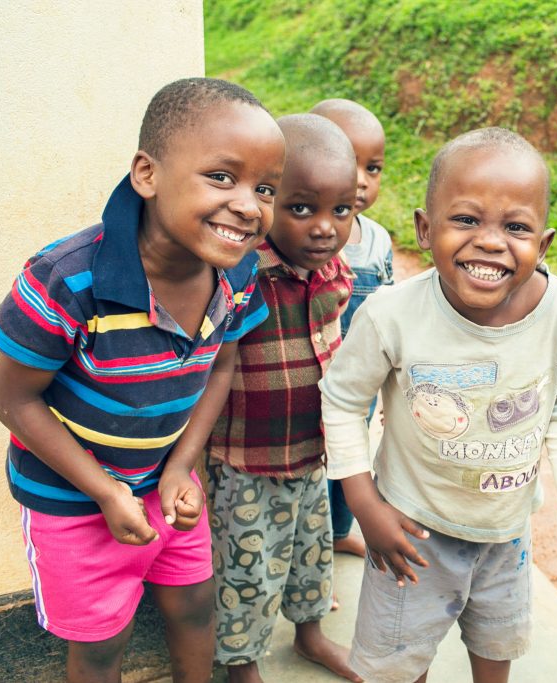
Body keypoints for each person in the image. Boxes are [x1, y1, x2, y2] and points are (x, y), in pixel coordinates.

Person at [0, 77, 285, 683]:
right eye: (222, 177)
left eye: (265, 188)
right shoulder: (69, 279)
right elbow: (13, 398)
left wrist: (181, 467)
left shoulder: (237, 273)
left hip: (166, 484)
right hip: (72, 499)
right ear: (147, 174)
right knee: (102, 644)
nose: (250, 206)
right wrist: (105, 491)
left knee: (195, 605)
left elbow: (221, 363)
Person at [319, 127, 557, 683]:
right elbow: (341, 400)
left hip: (506, 534)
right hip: (409, 530)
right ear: (424, 229)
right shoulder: (392, 315)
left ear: (543, 245)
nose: (491, 242)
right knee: (398, 664)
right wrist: (364, 502)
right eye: (466, 219)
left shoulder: (556, 309)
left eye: (516, 227)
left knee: (496, 641)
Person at [204, 113, 361, 683]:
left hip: (313, 452)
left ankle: (310, 635)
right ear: (267, 200)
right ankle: (242, 665)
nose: (324, 228)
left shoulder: (334, 270)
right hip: (247, 459)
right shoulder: (242, 275)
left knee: (310, 556)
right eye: (301, 208)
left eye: (341, 210)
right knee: (247, 573)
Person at [310, 98, 394, 558]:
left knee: (352, 452)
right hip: (310, 375)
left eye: (373, 168)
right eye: (348, 162)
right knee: (314, 460)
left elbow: (393, 314)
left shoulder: (378, 240)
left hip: (359, 378)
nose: (361, 179)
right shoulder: (307, 237)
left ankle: (339, 531)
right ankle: (314, 546)